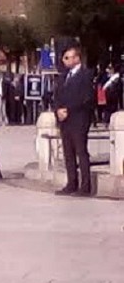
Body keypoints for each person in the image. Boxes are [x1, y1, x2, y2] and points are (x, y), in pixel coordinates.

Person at [53, 46, 94, 196]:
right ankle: (71, 183)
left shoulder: (86, 75)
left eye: (67, 57)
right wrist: (58, 110)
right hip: (65, 120)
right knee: (68, 153)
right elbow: (56, 96)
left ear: (76, 58)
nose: (64, 61)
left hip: (79, 119)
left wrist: (68, 110)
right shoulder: (63, 77)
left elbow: (87, 98)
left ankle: (85, 186)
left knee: (81, 152)